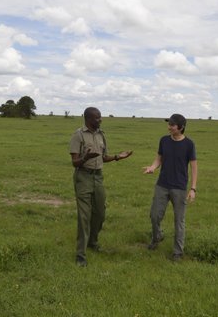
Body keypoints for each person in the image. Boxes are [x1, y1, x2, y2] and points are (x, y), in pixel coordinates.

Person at [69, 107, 133, 267]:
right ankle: (80, 255)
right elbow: (74, 162)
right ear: (88, 119)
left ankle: (93, 242)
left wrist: (118, 157)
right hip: (83, 176)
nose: (100, 120)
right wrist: (85, 157)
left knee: (100, 213)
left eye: (100, 117)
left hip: (98, 177)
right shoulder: (78, 135)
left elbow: (103, 157)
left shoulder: (101, 135)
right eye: (97, 118)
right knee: (84, 217)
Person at [142, 113, 198, 261]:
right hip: (162, 185)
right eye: (169, 124)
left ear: (181, 127)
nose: (169, 127)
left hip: (179, 188)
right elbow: (158, 159)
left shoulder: (189, 144)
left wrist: (193, 189)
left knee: (179, 221)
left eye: (172, 125)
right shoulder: (164, 140)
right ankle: (157, 237)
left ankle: (178, 252)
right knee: (154, 215)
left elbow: (193, 167)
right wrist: (153, 167)